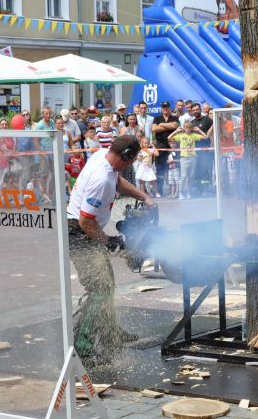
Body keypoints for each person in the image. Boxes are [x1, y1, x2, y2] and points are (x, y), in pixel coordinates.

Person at [66, 135, 153, 358]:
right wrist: (109, 241)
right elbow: (86, 221)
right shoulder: (101, 179)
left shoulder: (102, 158)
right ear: (127, 156)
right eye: (132, 160)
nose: (131, 165)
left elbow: (118, 180)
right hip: (79, 231)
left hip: (86, 230)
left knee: (107, 284)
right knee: (100, 289)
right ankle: (82, 345)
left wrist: (143, 196)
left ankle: (109, 332)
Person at [169, 120, 210, 199]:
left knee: (191, 176)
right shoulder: (181, 135)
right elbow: (169, 138)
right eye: (186, 128)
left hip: (193, 157)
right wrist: (176, 131)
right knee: (184, 176)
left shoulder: (194, 135)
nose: (187, 129)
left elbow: (206, 137)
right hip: (184, 158)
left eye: (189, 128)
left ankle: (188, 192)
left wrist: (198, 130)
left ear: (191, 128)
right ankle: (181, 192)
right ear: (184, 128)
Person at [151, 101, 179, 195]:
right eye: (164, 107)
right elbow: (154, 129)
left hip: (172, 146)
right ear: (161, 109)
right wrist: (169, 126)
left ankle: (174, 192)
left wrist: (162, 125)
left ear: (169, 108)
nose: (165, 109)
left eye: (167, 107)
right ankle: (159, 190)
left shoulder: (174, 117)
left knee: (173, 168)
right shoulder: (157, 118)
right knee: (160, 169)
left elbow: (175, 125)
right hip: (160, 146)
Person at [189, 102, 214, 196]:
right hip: (195, 151)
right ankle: (199, 191)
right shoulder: (191, 123)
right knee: (197, 171)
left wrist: (212, 146)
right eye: (193, 110)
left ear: (200, 110)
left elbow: (212, 134)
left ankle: (206, 190)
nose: (195, 111)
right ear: (191, 111)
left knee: (205, 170)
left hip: (206, 150)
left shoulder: (207, 119)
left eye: (197, 109)